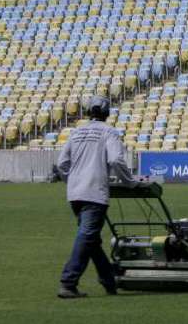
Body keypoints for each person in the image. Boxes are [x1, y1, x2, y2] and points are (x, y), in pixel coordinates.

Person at [54, 96, 138, 299]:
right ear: (107, 113)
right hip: (94, 193)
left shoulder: (76, 132)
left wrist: (72, 180)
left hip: (75, 194)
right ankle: (68, 282)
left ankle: (109, 279)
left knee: (91, 240)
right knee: (86, 238)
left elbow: (62, 164)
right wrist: (130, 182)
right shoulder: (109, 132)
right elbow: (116, 159)